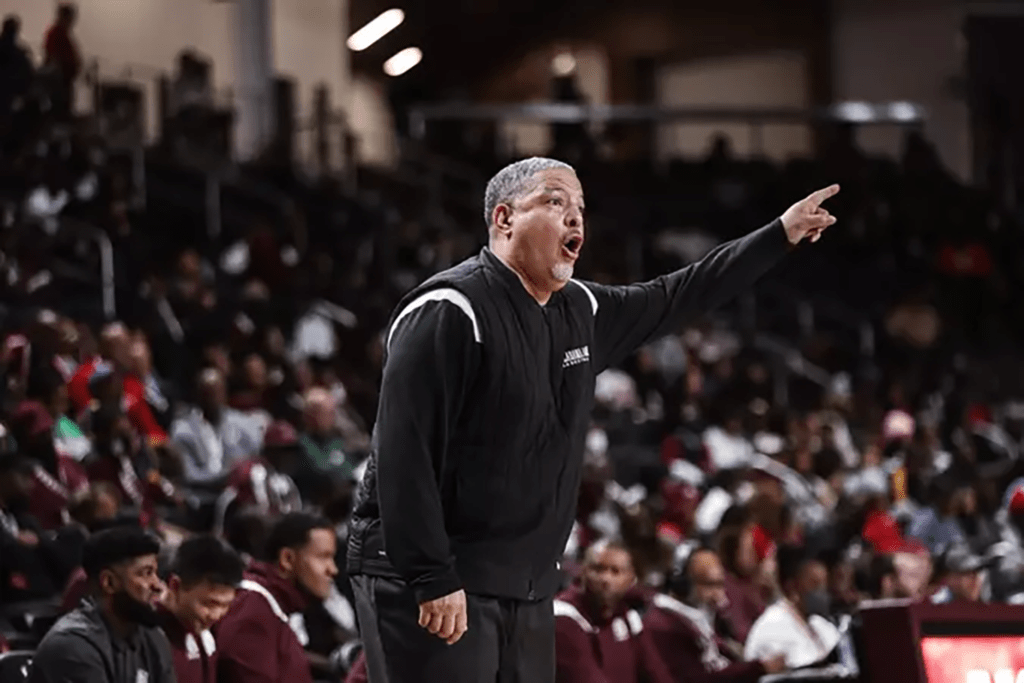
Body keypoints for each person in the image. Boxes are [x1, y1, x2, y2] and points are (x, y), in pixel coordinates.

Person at [346, 155, 839, 683]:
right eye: (556, 201)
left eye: (581, 206)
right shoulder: (449, 309)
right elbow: (403, 452)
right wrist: (430, 574)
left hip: (525, 583)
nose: (576, 218)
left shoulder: (581, 309)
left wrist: (777, 236)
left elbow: (679, 293)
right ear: (504, 219)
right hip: (434, 575)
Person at [29, 526, 175, 683]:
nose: (158, 585)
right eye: (146, 573)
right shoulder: (73, 646)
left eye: (155, 573)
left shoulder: (151, 636)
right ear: (109, 582)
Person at [216, 511, 339, 683]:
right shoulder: (253, 609)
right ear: (287, 559)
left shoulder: (272, 605)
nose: (333, 570)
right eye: (323, 557)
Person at [645, 547, 786, 683]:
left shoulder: (699, 614)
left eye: (720, 585)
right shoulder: (665, 625)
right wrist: (758, 668)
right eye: (710, 585)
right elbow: (699, 678)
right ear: (683, 584)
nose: (719, 596)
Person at [553, 539, 673, 683]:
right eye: (597, 569)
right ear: (583, 572)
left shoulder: (628, 618)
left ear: (631, 579)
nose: (605, 579)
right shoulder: (564, 616)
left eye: (615, 571)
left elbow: (657, 674)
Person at [158, 535, 245, 683]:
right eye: (209, 604)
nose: (216, 615)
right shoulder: (147, 638)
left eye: (225, 605)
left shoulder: (205, 636)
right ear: (175, 586)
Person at [743, 545, 840, 668]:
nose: (821, 593)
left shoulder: (820, 625)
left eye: (824, 585)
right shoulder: (772, 626)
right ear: (792, 587)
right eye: (815, 585)